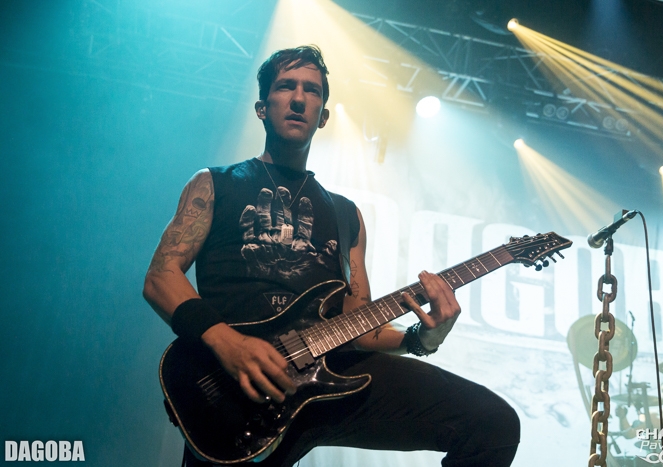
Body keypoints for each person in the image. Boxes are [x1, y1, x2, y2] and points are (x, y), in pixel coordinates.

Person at [143, 45, 520, 467]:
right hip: (234, 389)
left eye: (312, 91)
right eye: (285, 87)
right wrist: (229, 345)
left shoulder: (345, 214)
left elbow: (360, 327)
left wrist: (420, 338)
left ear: (323, 116)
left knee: (493, 426)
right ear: (262, 108)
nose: (299, 98)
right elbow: (160, 277)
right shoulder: (215, 184)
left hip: (328, 376)